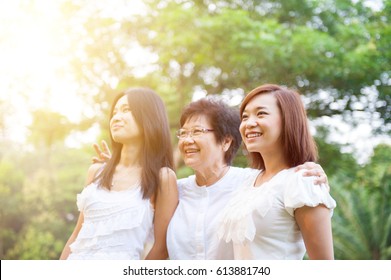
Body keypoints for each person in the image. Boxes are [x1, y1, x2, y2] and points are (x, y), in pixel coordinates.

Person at [93, 97, 329, 260]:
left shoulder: (252, 185)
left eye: (197, 132)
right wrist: (119, 169)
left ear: (226, 141)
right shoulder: (172, 190)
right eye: (183, 133)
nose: (186, 141)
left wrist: (312, 172)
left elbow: (284, 184)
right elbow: (125, 211)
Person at [218, 84, 336, 259]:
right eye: (244, 117)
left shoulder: (303, 181)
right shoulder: (247, 182)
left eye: (261, 114)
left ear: (288, 119)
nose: (249, 123)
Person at [60, 88, 178, 260]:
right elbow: (76, 236)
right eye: (114, 112)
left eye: (126, 110)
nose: (116, 117)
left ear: (149, 117)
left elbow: (162, 248)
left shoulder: (163, 178)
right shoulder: (96, 172)